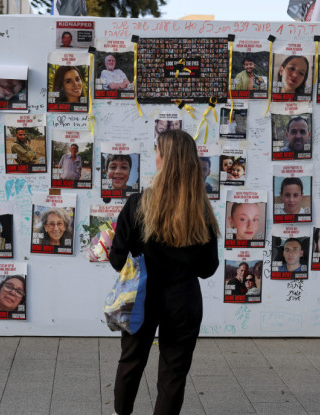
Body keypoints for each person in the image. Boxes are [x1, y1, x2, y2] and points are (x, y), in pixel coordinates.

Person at [109, 129, 219, 415]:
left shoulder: (137, 204)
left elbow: (118, 259)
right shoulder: (201, 210)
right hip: (184, 300)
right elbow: (208, 269)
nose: (154, 156)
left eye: (157, 151)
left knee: (131, 362)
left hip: (140, 297)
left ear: (163, 159)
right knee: (173, 374)